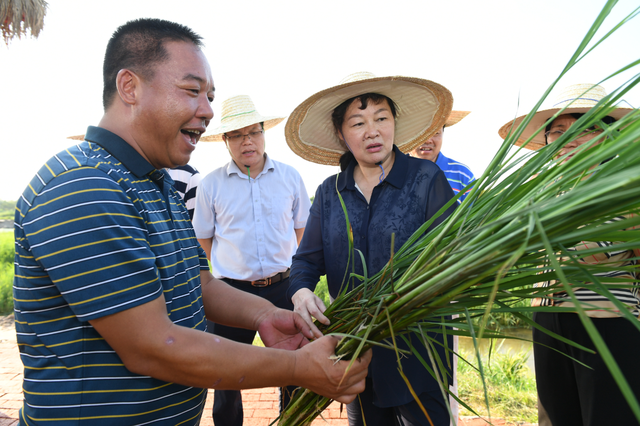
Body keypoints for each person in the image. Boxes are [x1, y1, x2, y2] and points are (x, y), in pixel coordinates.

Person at [12, 18, 371, 426]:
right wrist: (297, 369)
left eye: (209, 95)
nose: (207, 111)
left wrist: (263, 316)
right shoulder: (84, 186)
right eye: (191, 91)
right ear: (130, 87)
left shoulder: (158, 183)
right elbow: (153, 346)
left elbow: (199, 284)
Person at [284, 71, 458, 426]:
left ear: (394, 123)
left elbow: (451, 255)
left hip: (419, 350)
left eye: (381, 118)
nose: (372, 130)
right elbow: (305, 261)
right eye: (358, 122)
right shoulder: (331, 193)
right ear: (341, 134)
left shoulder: (426, 180)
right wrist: (301, 292)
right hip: (356, 351)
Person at [498, 83, 639, 425]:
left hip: (605, 322)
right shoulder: (542, 191)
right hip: (549, 319)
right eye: (558, 131)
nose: (569, 138)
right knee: (556, 418)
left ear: (608, 135)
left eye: (584, 128)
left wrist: (524, 244)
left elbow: (591, 252)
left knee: (607, 417)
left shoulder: (624, 185)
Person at [193, 95, 311, 425]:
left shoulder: (290, 177)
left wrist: (302, 283)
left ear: (263, 133)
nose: (248, 141)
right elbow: (203, 241)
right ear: (226, 141)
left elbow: (303, 232)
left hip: (284, 287)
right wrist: (210, 288)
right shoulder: (212, 185)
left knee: (295, 366)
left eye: (254, 132)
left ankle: (293, 420)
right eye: (237, 135)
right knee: (226, 375)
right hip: (232, 293)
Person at [409, 111, 474, 202]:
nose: (428, 140)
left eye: (435, 132)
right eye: (421, 132)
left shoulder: (462, 174)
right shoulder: (391, 170)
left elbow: (471, 214)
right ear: (407, 136)